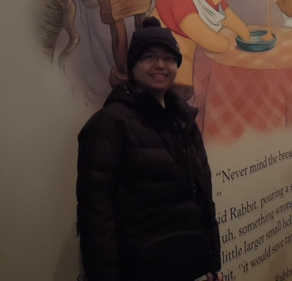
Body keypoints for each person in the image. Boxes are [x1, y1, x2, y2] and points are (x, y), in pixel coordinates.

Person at [76, 17, 222, 281]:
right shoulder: (108, 125)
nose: (160, 65)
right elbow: (96, 219)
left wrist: (212, 264)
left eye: (168, 58)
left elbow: (203, 196)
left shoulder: (184, 120)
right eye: (149, 57)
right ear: (133, 66)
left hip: (190, 262)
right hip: (141, 268)